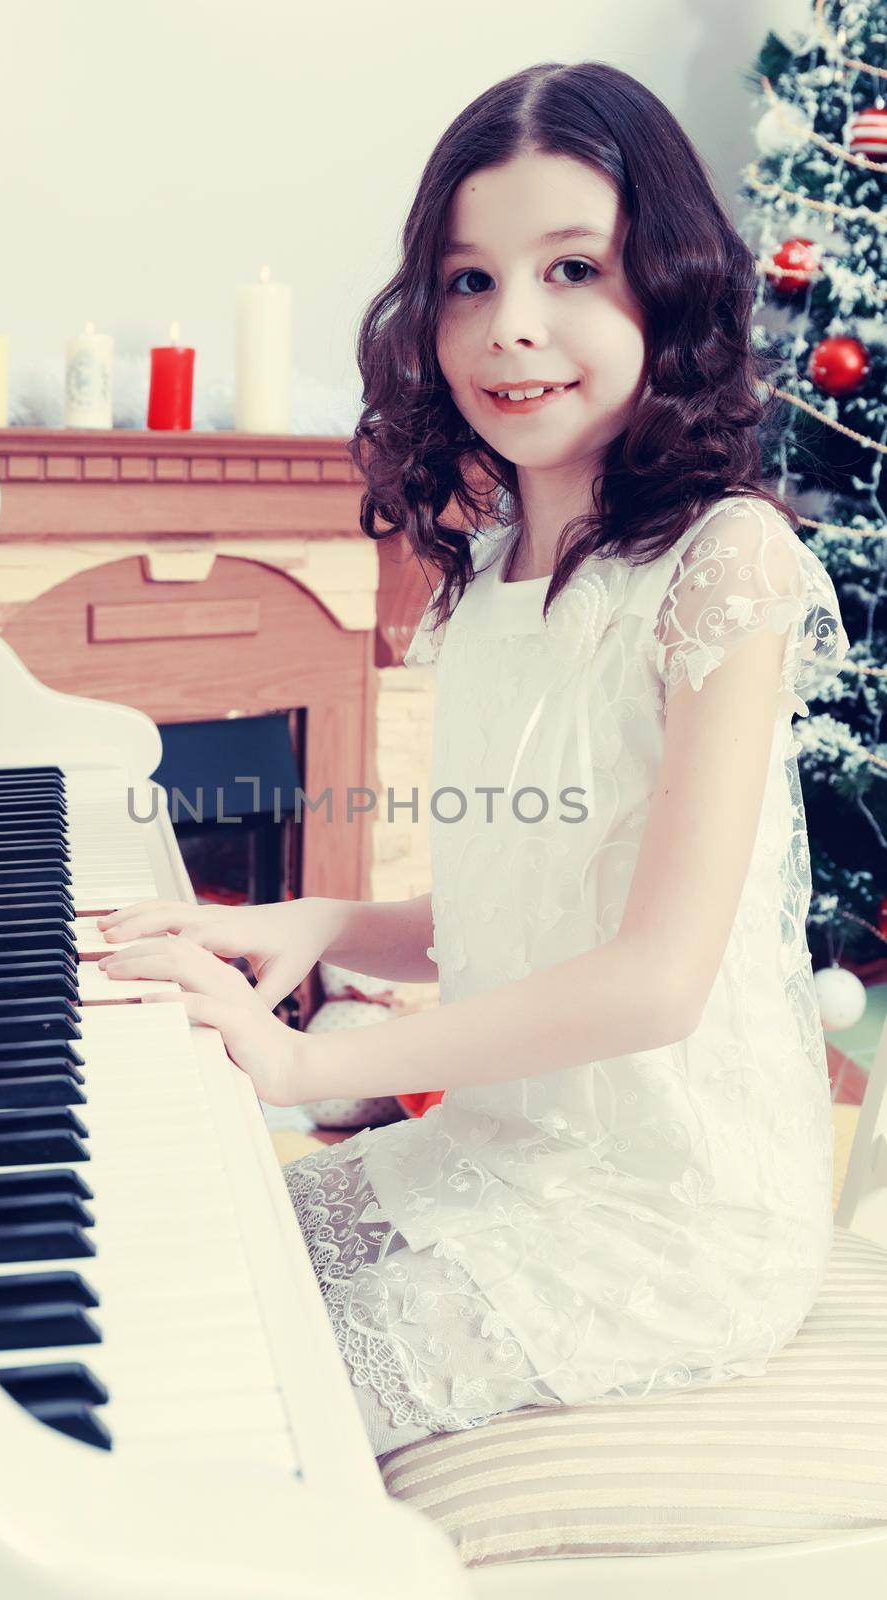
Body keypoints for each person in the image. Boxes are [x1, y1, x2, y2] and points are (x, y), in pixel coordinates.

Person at [97, 60, 851, 1460]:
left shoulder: (727, 564)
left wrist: (307, 1066)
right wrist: (312, 918)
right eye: (466, 282)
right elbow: (530, 905)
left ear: (667, 290)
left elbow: (654, 975)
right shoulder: (488, 567)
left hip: (671, 1212)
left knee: (233, 1403)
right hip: (498, 1150)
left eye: (573, 268)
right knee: (172, 1267)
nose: (513, 330)